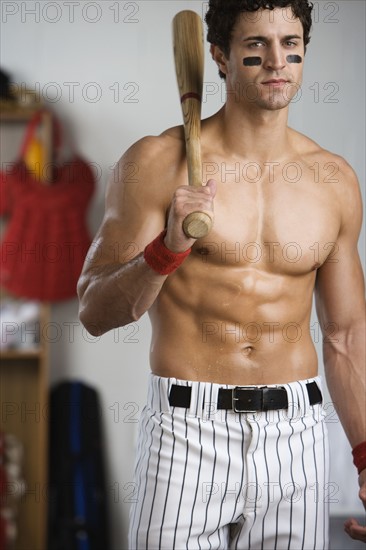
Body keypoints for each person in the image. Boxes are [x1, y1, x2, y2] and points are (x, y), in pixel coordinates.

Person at [77, 0, 366, 548]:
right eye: (256, 46)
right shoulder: (157, 164)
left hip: (296, 436)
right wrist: (168, 248)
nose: (277, 61)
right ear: (220, 57)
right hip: (187, 431)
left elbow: (347, 335)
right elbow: (93, 311)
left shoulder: (334, 181)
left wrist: (365, 455)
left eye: (291, 44)